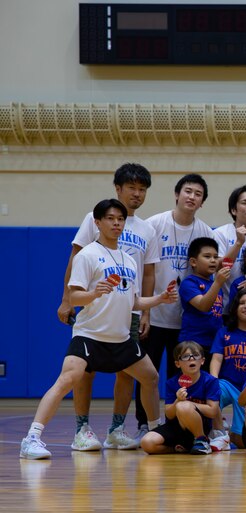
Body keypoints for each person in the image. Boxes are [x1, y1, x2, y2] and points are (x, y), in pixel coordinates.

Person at [22, 200, 176, 460]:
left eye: (120, 219)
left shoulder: (129, 260)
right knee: (67, 380)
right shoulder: (87, 255)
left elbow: (133, 301)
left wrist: (160, 299)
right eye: (110, 218)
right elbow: (75, 297)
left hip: (121, 338)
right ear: (97, 222)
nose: (116, 223)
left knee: (150, 377)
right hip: (89, 336)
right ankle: (32, 438)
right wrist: (94, 293)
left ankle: (155, 433)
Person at [58, 163, 157, 452]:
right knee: (84, 370)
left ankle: (116, 429)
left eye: (142, 189)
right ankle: (82, 429)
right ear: (118, 188)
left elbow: (148, 273)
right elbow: (75, 257)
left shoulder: (147, 229)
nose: (137, 194)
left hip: (128, 310)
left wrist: (146, 311)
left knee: (128, 371)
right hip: (95, 308)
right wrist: (66, 299)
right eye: (131, 188)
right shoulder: (96, 218)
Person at [140, 173, 214, 440]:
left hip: (186, 323)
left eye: (198, 194)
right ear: (177, 194)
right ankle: (144, 423)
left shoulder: (205, 232)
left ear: (202, 202)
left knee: (180, 377)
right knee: (148, 374)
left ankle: (180, 427)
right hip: (154, 315)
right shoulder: (154, 224)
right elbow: (145, 271)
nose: (192, 197)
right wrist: (145, 312)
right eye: (188, 191)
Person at [209, 290, 246, 450]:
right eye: (242, 303)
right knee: (212, 392)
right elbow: (216, 359)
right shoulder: (224, 332)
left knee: (243, 441)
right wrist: (213, 381)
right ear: (235, 308)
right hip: (227, 383)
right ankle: (220, 434)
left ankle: (232, 434)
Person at [139, 341, 220, 455]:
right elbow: (169, 414)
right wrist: (177, 401)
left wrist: (189, 404)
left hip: (199, 426)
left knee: (183, 406)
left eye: (196, 355)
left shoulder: (210, 381)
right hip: (175, 427)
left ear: (202, 361)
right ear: (177, 363)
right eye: (186, 356)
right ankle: (180, 448)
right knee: (147, 443)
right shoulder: (172, 383)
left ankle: (202, 440)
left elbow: (213, 411)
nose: (191, 359)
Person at [179, 237, 231, 359]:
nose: (213, 260)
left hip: (214, 343)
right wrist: (218, 282)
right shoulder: (189, 283)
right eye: (207, 256)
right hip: (193, 343)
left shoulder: (215, 284)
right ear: (193, 262)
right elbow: (203, 306)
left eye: (216, 257)